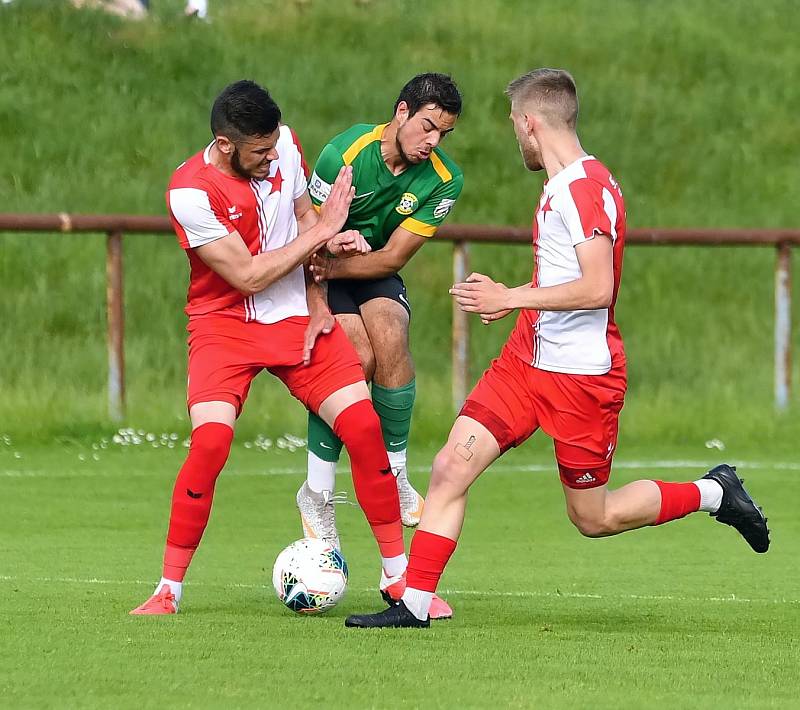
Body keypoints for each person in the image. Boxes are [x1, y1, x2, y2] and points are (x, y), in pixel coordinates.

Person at [344, 68, 770, 629]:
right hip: (527, 361)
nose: (515, 139)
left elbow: (598, 289)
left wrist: (511, 295)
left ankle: (714, 492)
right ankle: (414, 604)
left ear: (529, 123)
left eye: (514, 128)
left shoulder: (585, 189)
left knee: (593, 517)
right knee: (451, 466)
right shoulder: (562, 183)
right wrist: (518, 305)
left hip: (581, 378)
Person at [130, 79, 408, 614]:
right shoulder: (189, 192)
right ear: (226, 144)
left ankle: (399, 580)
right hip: (222, 326)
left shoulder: (285, 144)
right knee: (210, 444)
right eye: (260, 151)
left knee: (364, 428)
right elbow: (250, 276)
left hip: (296, 320)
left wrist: (326, 257)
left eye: (274, 144)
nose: (272, 157)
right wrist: (324, 227)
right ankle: (168, 589)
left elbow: (305, 220)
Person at [296, 73, 463, 558]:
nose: (433, 142)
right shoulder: (343, 154)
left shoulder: (445, 179)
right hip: (322, 268)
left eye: (444, 134)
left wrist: (346, 253)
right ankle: (317, 494)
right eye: (428, 127)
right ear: (402, 111)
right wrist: (331, 241)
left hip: (369, 266)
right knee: (353, 360)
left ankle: (397, 477)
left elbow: (392, 258)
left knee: (392, 332)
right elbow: (306, 229)